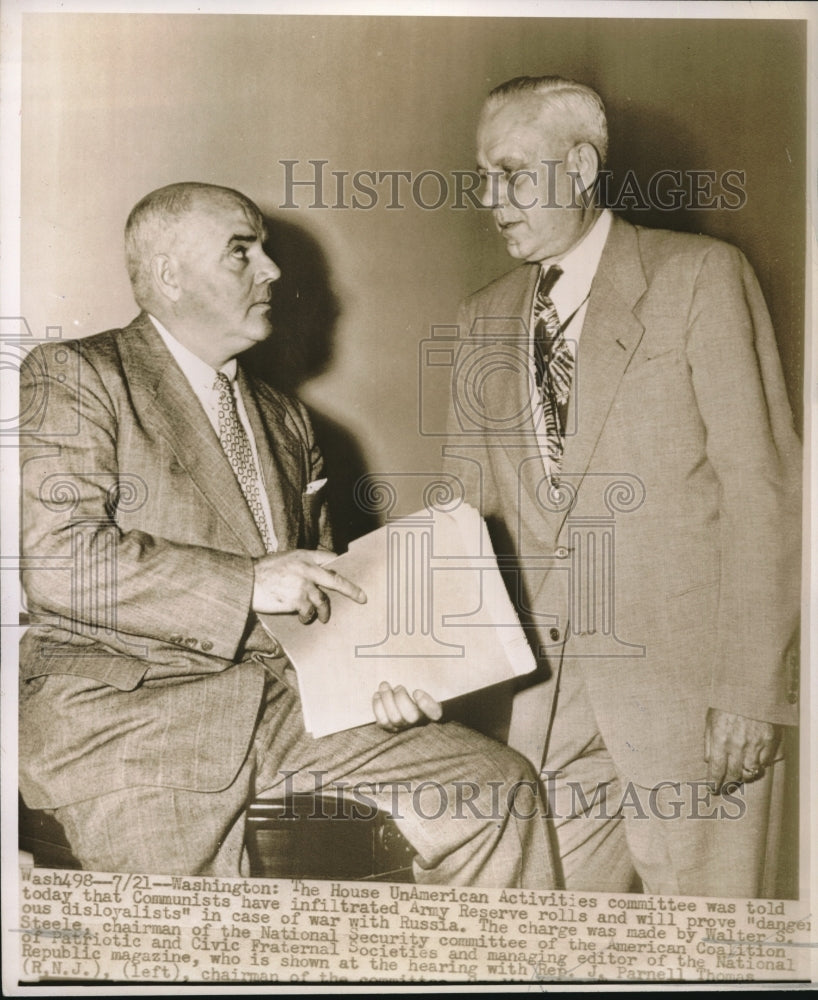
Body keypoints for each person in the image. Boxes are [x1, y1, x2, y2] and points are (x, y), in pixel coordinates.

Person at [18, 181, 555, 886]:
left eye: (265, 250)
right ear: (168, 275)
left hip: (283, 711)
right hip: (128, 721)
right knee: (189, 946)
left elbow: (320, 604)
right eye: (242, 252)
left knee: (499, 789)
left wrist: (380, 680)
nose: (271, 270)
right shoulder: (76, 375)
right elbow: (59, 560)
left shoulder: (285, 419)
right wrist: (247, 581)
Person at [443, 77, 801, 896]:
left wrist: (753, 694)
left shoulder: (700, 277)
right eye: (482, 176)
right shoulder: (482, 317)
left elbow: (766, 492)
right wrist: (413, 663)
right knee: (533, 941)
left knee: (709, 950)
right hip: (540, 709)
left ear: (578, 166)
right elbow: (465, 519)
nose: (490, 200)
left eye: (510, 173)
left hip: (694, 706)